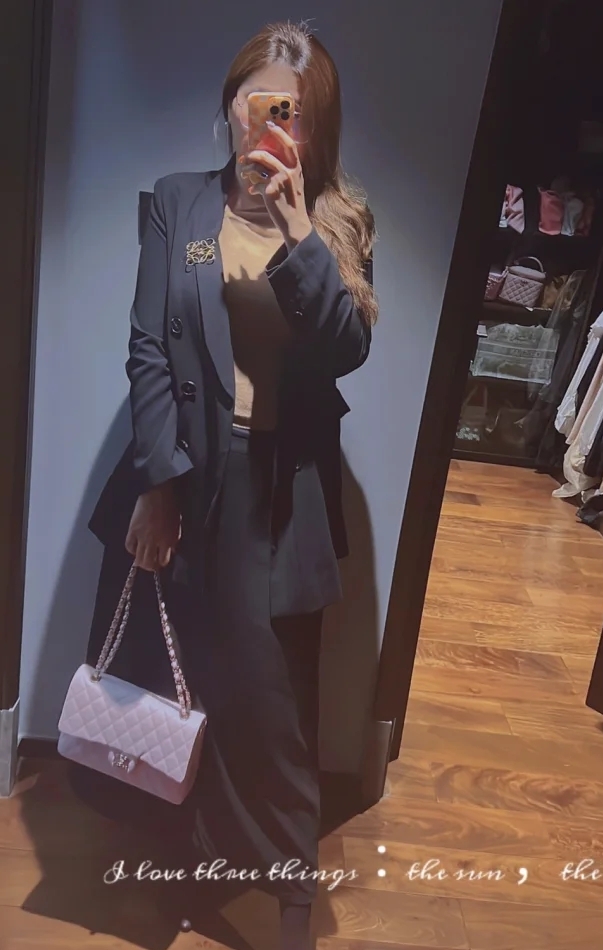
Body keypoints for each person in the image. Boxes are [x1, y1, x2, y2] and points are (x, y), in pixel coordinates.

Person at [74, 20, 377, 950]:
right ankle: (179, 861)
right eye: (258, 104)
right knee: (178, 678)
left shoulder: (337, 222)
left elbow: (346, 351)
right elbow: (147, 349)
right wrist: (157, 488)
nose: (270, 126)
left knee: (270, 707)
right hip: (181, 476)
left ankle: (290, 897)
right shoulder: (179, 204)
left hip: (274, 496)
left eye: (292, 112)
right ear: (232, 106)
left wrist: (295, 230)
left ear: (316, 125)